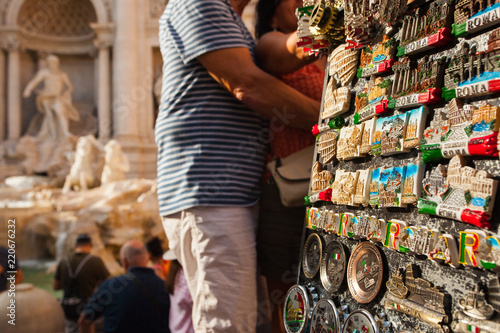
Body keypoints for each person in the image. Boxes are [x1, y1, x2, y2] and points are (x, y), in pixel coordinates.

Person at [156, 0, 320, 331]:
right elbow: (248, 85)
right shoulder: (201, 2)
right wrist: (329, 121)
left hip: (222, 195)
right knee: (229, 324)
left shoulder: (226, 17)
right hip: (210, 193)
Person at [254, 1, 326, 332]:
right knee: (286, 301)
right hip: (287, 191)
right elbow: (303, 43)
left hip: (327, 185)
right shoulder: (269, 43)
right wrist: (324, 9)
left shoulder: (328, 50)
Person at [79, 240, 171, 333]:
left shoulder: (111, 286)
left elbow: (84, 320)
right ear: (147, 259)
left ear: (125, 262)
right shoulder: (165, 286)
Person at [53, 233, 110, 333]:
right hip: (87, 308)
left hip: (67, 308)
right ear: (90, 245)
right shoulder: (95, 261)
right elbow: (109, 284)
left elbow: (56, 286)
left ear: (75, 246)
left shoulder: (63, 261)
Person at [23, 54, 80, 140]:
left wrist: (66, 93)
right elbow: (34, 81)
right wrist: (28, 89)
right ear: (47, 63)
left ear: (57, 63)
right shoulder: (44, 73)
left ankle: (65, 132)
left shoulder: (62, 74)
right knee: (49, 115)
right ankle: (52, 135)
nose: (52, 64)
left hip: (57, 96)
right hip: (46, 96)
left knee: (60, 112)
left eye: (54, 62)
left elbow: (69, 87)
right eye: (50, 62)